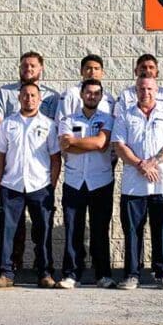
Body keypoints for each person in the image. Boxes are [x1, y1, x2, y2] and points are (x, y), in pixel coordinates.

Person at [0, 51, 61, 274]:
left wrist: (51, 184)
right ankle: (5, 272)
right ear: (18, 98)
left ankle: (45, 272)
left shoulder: (49, 125)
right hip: (11, 185)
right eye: (25, 95)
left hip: (40, 185)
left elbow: (55, 157)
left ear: (40, 99)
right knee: (9, 231)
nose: (29, 99)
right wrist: (0, 180)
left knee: (43, 231)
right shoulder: (8, 124)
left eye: (33, 96)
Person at [112, 76, 163, 290]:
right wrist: (141, 164)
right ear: (136, 91)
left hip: (162, 184)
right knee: (132, 231)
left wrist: (153, 161)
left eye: (150, 89)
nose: (146, 92)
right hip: (133, 185)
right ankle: (132, 274)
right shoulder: (125, 115)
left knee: (162, 230)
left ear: (157, 89)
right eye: (142, 89)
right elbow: (119, 145)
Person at [56, 78, 115, 289]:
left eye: (96, 93)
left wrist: (75, 142)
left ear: (101, 96)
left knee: (100, 230)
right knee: (73, 229)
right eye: (88, 92)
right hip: (74, 181)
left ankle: (103, 275)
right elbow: (64, 144)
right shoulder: (67, 119)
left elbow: (101, 143)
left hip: (101, 181)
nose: (92, 96)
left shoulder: (108, 119)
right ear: (81, 94)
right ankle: (71, 274)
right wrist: (80, 144)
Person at [56, 54, 116, 119]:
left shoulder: (109, 98)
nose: (93, 72)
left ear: (102, 72)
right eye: (88, 68)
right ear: (81, 71)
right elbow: (61, 121)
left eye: (96, 69)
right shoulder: (70, 94)